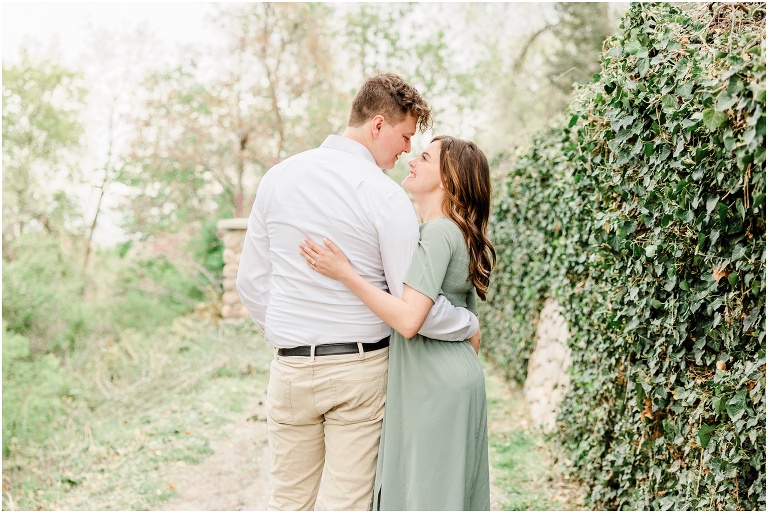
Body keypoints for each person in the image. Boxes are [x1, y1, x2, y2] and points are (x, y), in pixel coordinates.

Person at [236, 73, 479, 511]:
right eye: (405, 137)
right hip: (359, 369)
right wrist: (466, 321)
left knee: (287, 501)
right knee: (347, 504)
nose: (406, 150)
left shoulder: (278, 177)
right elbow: (410, 300)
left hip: (290, 368)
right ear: (379, 125)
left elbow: (250, 282)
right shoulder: (384, 196)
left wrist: (287, 333)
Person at [300, 135, 496, 510]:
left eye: (423, 157)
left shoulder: (438, 233)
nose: (411, 160)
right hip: (454, 378)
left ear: (448, 178)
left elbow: (409, 320)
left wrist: (345, 273)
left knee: (426, 497)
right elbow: (473, 328)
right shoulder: (458, 232)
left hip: (434, 386)